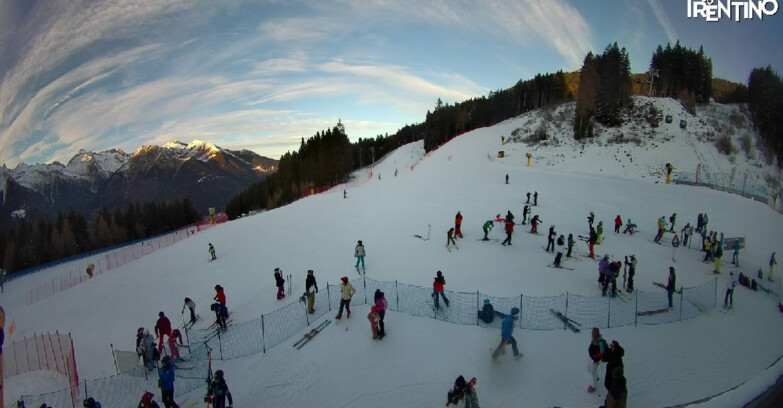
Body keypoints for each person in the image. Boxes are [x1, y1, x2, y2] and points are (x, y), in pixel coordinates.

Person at [587, 327, 608, 394]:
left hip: (597, 361)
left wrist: (596, 358)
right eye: (592, 333)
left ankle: (594, 387)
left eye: (593, 333)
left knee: (593, 372)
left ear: (596, 333)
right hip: (593, 359)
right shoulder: (594, 341)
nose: (591, 334)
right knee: (589, 369)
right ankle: (596, 377)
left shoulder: (600, 342)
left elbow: (602, 353)